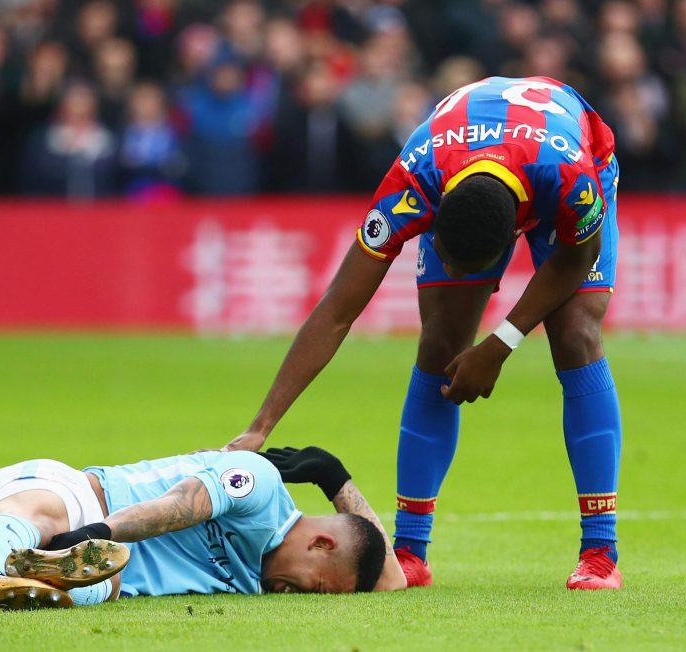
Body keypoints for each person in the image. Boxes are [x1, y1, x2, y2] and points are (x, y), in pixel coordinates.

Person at [225, 76, 624, 591]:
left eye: (469, 268)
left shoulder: (570, 179)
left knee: (575, 335)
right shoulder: (413, 179)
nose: (458, 278)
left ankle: (600, 553)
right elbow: (337, 309)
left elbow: (577, 256)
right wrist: (262, 424)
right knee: (441, 343)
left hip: (570, 149)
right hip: (463, 157)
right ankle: (411, 550)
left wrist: (500, 343)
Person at [0, 446, 406, 609]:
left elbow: (390, 578)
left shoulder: (257, 581)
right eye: (315, 590)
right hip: (74, 496)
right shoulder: (261, 486)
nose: (299, 597)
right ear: (322, 544)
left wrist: (334, 476)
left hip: (104, 567)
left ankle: (18, 584)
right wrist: (93, 532)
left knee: (107, 578)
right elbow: (177, 507)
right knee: (45, 517)